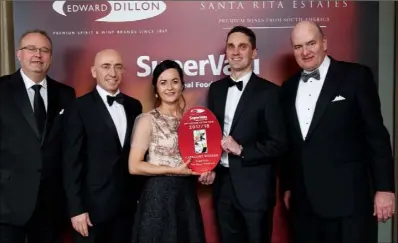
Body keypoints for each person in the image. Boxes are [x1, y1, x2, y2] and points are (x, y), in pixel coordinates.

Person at [280, 20, 396, 243]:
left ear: (324, 43)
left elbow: (377, 135)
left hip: (349, 203)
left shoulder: (355, 76)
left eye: (311, 43)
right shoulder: (288, 87)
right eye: (298, 47)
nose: (305, 52)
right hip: (304, 204)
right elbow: (290, 144)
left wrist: (385, 189)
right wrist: (287, 186)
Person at [206, 26, 287, 243]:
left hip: (256, 190)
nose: (235, 52)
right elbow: (210, 135)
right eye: (231, 46)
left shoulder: (270, 93)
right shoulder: (216, 89)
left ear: (254, 52)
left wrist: (241, 150)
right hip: (223, 187)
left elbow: (278, 144)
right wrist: (208, 166)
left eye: (243, 46)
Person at [0, 29, 75, 243]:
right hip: (7, 204)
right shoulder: (2, 89)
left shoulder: (66, 94)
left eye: (44, 50)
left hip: (50, 206)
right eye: (31, 49)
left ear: (51, 57)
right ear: (19, 54)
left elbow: (68, 149)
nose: (38, 55)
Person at [62, 49, 142, 243]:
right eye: (105, 66)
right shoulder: (78, 107)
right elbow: (71, 162)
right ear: (93, 71)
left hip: (126, 207)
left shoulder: (134, 106)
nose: (112, 73)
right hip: (91, 211)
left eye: (117, 67)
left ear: (123, 71)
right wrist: (77, 209)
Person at [128, 59, 206, 243]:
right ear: (156, 89)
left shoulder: (195, 121)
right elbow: (134, 166)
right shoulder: (147, 120)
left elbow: (202, 159)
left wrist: (207, 173)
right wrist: (173, 170)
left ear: (182, 85)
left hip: (186, 197)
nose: (170, 87)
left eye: (175, 81)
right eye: (163, 83)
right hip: (157, 198)